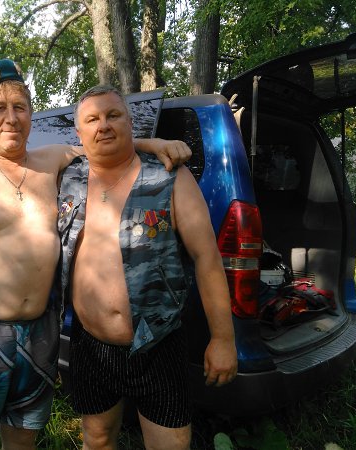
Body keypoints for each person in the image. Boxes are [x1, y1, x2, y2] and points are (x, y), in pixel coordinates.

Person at [0, 59, 192, 450]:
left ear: (31, 114)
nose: (11, 118)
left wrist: (154, 144)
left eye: (20, 107)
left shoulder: (53, 161)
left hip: (40, 334)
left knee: (23, 440)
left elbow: (104, 145)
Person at [57, 85, 238, 450]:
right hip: (90, 345)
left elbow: (207, 258)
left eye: (113, 115)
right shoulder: (68, 179)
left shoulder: (169, 177)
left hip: (158, 344)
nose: (103, 125)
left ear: (130, 122)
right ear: (79, 132)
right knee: (97, 439)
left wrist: (223, 339)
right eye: (92, 119)